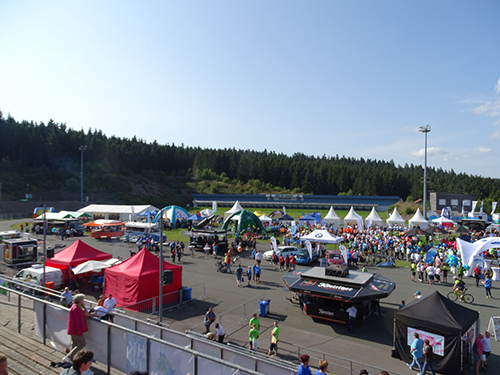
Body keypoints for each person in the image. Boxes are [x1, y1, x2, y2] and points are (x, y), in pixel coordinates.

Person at [64, 294, 96, 362]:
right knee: (82, 343)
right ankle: (69, 357)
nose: (83, 300)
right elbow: (85, 315)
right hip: (76, 329)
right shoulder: (76, 309)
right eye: (82, 300)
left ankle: (72, 359)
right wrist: (91, 314)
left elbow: (84, 314)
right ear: (79, 301)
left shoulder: (75, 306)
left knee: (74, 344)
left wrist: (84, 306)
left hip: (72, 328)